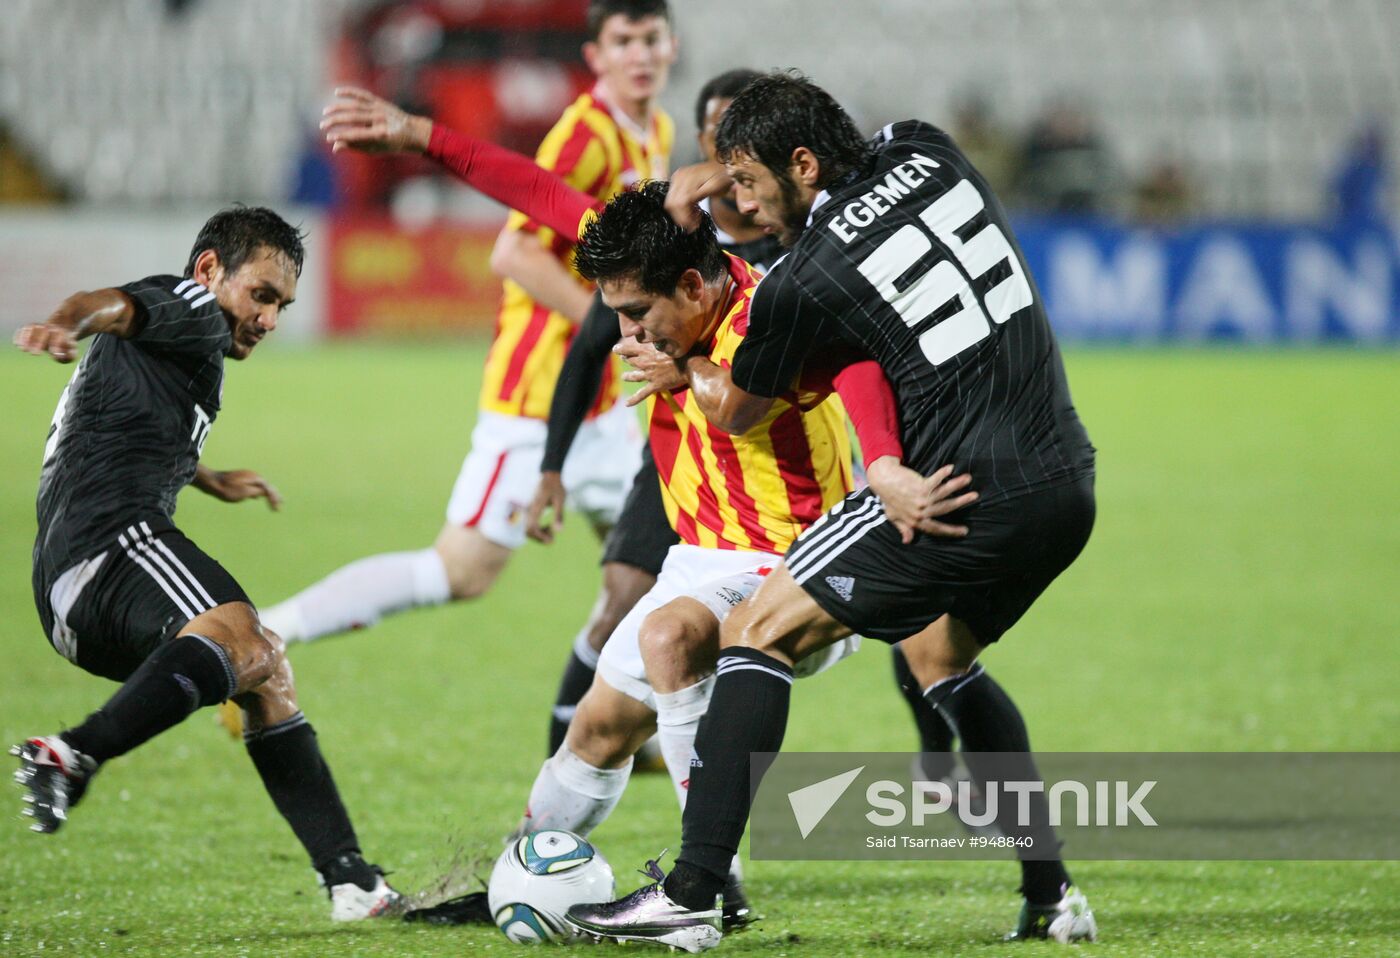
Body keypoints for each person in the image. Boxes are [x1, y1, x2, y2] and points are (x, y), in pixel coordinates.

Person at [321, 101, 968, 932]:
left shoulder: (775, 315)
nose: (624, 333)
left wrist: (872, 460)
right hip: (698, 560)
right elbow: (537, 192)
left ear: (694, 287)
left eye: (637, 315)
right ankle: (518, 883)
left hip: (794, 562)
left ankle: (710, 888)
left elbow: (857, 374)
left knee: (666, 639)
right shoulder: (657, 263)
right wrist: (419, 136)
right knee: (596, 730)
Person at [566, 72, 1100, 951]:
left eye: (746, 182)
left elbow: (737, 406)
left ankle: (694, 894)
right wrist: (714, 171)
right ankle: (1052, 899)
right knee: (940, 655)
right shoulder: (927, 147)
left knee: (755, 634)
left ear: (803, 164)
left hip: (957, 491)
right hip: (1064, 481)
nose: (737, 205)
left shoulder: (804, 278)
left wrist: (685, 371)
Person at [259, 3, 679, 702]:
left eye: (651, 39)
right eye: (623, 41)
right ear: (595, 55)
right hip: (538, 395)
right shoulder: (585, 135)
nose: (640, 54)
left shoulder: (655, 129)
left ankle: (620, 727)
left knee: (656, 561)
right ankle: (267, 633)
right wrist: (614, 325)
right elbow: (513, 251)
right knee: (461, 571)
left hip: (603, 400)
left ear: (672, 45)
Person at [10, 206, 401, 921]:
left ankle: (352, 883)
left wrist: (207, 477)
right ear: (209, 272)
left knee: (265, 670)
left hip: (80, 576)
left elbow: (125, 417)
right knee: (244, 639)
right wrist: (66, 320)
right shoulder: (190, 306)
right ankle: (72, 753)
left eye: (282, 305)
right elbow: (113, 307)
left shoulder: (194, 344)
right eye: (262, 295)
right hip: (107, 550)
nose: (271, 319)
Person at [527, 68, 781, 756]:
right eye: (719, 137)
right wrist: (552, 466)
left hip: (772, 474)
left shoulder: (797, 243)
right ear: (701, 144)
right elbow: (587, 349)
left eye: (746, 142)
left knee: (914, 629)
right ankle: (573, 747)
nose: (732, 159)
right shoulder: (658, 245)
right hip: (678, 463)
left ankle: (939, 758)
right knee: (622, 609)